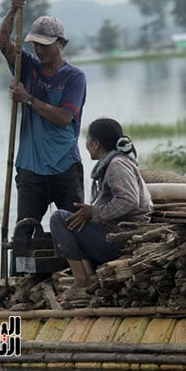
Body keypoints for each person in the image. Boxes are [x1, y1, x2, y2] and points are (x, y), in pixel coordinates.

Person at [0, 0, 87, 226]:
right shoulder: (27, 66)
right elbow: (2, 43)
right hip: (30, 167)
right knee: (24, 230)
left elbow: (64, 117)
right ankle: (21, 263)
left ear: (61, 43)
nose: (39, 50)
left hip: (64, 165)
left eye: (45, 45)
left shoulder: (74, 77)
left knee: (73, 227)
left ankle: (75, 264)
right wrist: (13, 9)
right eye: (35, 44)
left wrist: (28, 99)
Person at [50, 118, 153, 300]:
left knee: (59, 218)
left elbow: (129, 200)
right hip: (118, 235)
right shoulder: (112, 164)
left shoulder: (116, 165)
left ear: (96, 143)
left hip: (122, 239)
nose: (87, 144)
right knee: (76, 220)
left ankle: (81, 280)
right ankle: (89, 277)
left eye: (88, 139)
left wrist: (95, 212)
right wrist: (91, 214)